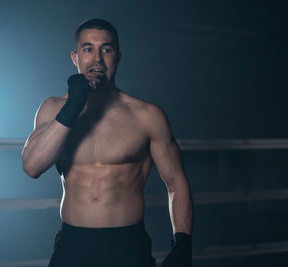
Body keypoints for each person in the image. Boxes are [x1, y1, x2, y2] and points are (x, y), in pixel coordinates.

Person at [22, 18, 193, 267]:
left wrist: (183, 245)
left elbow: (176, 181)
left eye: (106, 49)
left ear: (118, 57)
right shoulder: (52, 109)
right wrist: (73, 106)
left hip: (127, 245)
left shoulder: (146, 115)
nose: (97, 59)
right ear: (75, 57)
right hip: (74, 243)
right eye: (88, 49)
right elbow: (32, 167)